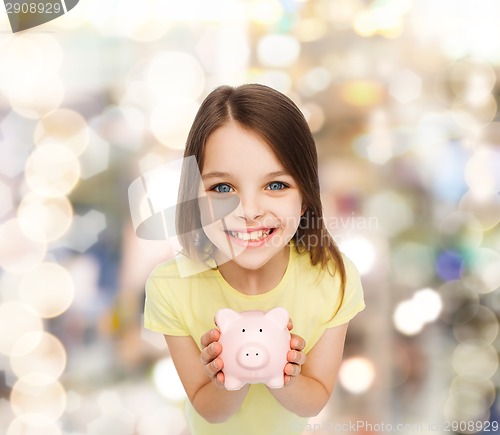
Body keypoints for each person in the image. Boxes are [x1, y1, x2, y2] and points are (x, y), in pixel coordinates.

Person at [144, 84, 365, 434]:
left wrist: (282, 374)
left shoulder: (332, 278)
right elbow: (209, 410)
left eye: (275, 185)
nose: (248, 212)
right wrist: (228, 374)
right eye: (222, 188)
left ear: (305, 196)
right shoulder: (170, 286)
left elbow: (316, 397)